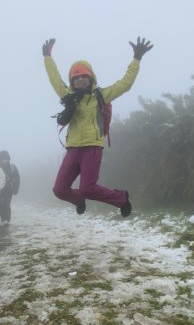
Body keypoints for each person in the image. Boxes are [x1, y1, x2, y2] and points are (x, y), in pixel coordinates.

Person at [42, 36, 153, 216]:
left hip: (92, 148)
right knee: (59, 189)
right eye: (76, 78)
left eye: (84, 77)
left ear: (91, 77)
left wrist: (136, 59)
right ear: (71, 81)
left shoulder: (101, 95)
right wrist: (47, 58)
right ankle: (78, 199)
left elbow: (125, 84)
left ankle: (122, 198)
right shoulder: (67, 95)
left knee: (87, 187)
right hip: (72, 148)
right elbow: (54, 78)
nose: (80, 81)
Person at [0, 150, 20, 226]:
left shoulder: (12, 167)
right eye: (3, 158)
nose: (4, 160)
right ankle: (4, 219)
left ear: (8, 159)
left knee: (7, 204)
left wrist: (15, 189)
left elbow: (17, 178)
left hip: (9, 190)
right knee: (1, 205)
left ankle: (7, 220)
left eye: (6, 158)